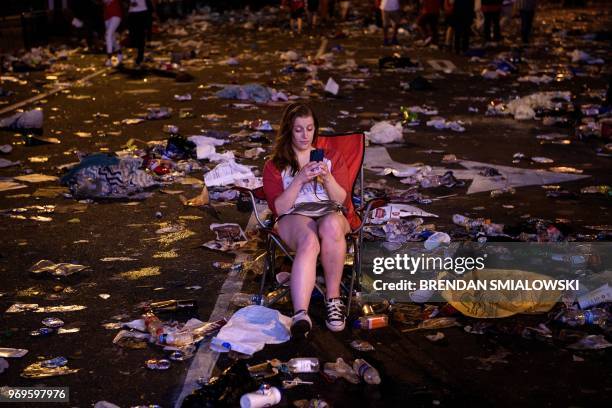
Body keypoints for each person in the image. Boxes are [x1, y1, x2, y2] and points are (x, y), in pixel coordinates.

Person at [263, 103, 359, 337]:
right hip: (294, 215)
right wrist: (299, 180)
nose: (305, 135)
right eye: (298, 130)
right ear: (288, 130)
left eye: (309, 128)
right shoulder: (275, 164)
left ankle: (333, 300)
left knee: (332, 225)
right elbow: (279, 208)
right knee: (309, 240)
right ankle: (300, 314)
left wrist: (326, 179)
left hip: (330, 210)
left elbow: (342, 201)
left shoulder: (331, 157)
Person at [128, 0, 153, 66]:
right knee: (134, 35)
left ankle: (140, 56)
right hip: (132, 12)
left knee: (141, 35)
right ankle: (137, 54)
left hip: (142, 11)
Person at [103, 0, 123, 67]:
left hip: (116, 14)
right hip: (107, 16)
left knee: (108, 35)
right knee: (112, 37)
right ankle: (120, 53)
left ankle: (109, 59)